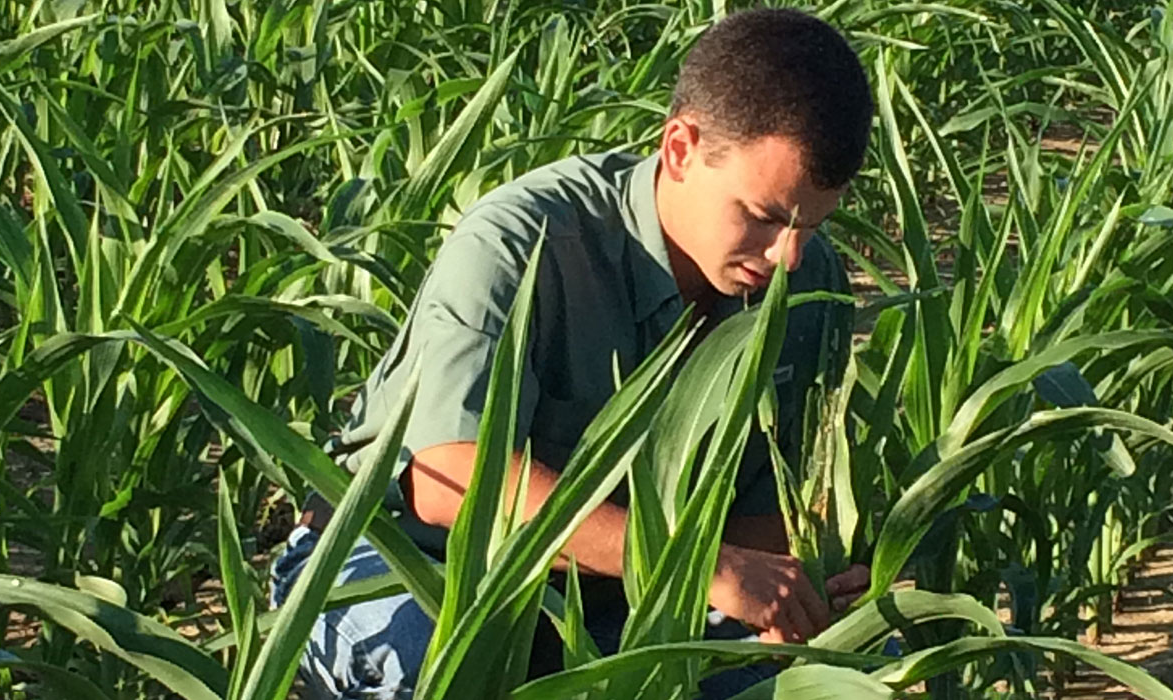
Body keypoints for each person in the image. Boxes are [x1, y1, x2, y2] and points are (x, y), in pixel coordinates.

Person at [268, 8, 875, 699]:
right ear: (679, 148)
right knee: (452, 673)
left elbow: (761, 511)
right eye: (764, 216)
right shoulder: (522, 241)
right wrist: (696, 567)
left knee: (838, 675)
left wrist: (783, 606)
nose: (787, 255)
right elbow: (446, 479)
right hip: (406, 565)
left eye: (811, 225)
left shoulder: (806, 281)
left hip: (621, 594)